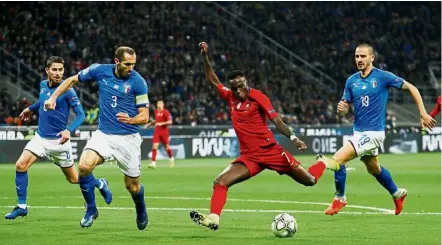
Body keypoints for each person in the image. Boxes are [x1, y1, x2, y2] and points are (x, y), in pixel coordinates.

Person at [189, 42, 337, 231]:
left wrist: (293, 138)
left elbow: (278, 121)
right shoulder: (230, 97)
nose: (239, 91)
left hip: (271, 152)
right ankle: (214, 218)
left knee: (310, 181)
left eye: (241, 86)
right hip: (249, 157)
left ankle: (323, 162)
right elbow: (213, 81)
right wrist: (204, 57)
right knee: (220, 181)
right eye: (235, 88)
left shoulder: (258, 97)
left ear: (246, 82)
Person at [319, 43, 436, 216]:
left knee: (337, 160)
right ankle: (397, 194)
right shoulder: (351, 81)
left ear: (372, 58)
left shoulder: (383, 77)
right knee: (374, 169)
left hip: (374, 134)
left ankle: (340, 198)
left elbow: (412, 88)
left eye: (363, 56)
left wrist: (423, 113)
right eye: (357, 56)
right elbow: (344, 107)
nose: (359, 59)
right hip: (358, 132)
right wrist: (341, 109)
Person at [44, 47, 150, 230]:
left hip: (128, 138)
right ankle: (91, 209)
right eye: (127, 64)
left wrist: (131, 119)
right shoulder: (100, 70)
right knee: (84, 166)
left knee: (132, 186)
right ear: (117, 61)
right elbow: (71, 80)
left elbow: (145, 116)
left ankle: (140, 208)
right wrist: (53, 97)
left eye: (133, 64)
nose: (131, 68)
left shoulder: (138, 82)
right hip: (104, 134)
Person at [5, 56, 112, 220]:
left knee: (75, 179)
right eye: (54, 69)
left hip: (60, 142)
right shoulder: (42, 85)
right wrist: (30, 109)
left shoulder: (68, 91)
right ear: (47, 70)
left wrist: (69, 130)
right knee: (20, 165)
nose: (57, 73)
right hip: (41, 138)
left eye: (60, 70)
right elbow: (42, 102)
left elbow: (81, 115)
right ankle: (22, 206)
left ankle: (99, 183)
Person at [144, 99, 174, 168]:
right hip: (157, 131)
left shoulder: (166, 112)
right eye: (158, 104)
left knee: (166, 147)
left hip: (164, 132)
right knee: (154, 147)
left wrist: (162, 123)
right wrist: (150, 124)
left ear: (163, 105)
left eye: (160, 104)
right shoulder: (156, 111)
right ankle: (153, 163)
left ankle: (171, 158)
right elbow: (157, 120)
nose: (159, 105)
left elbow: (170, 122)